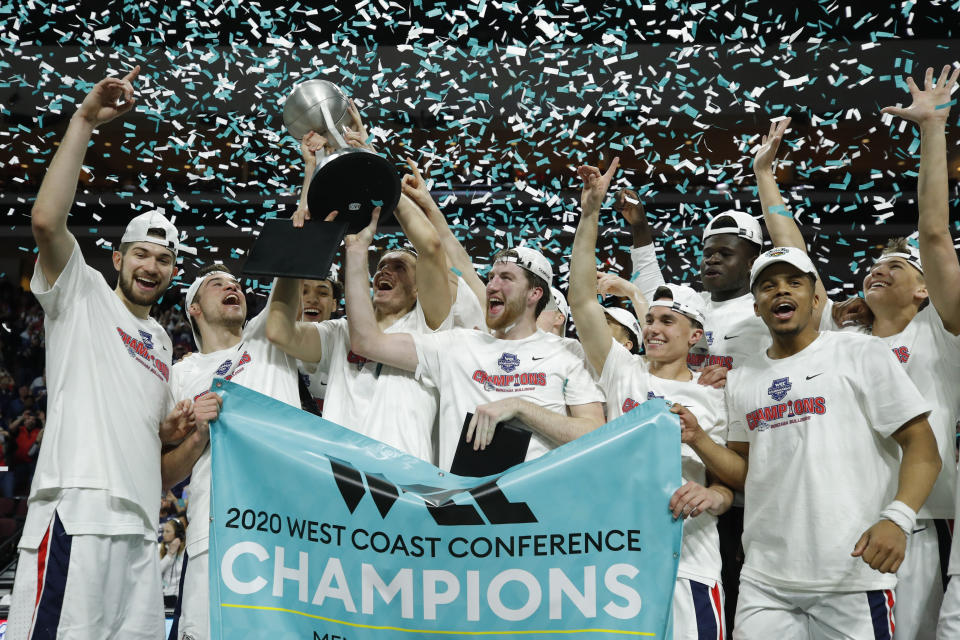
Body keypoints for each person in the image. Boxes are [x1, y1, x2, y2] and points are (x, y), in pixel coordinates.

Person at [755, 65, 960, 640]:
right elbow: (791, 259)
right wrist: (765, 178)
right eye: (873, 265)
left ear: (923, 289)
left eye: (895, 266)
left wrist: (931, 130)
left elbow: (935, 233)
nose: (877, 268)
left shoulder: (941, 331)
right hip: (865, 526)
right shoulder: (848, 347)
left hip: (931, 522)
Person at [7, 67, 198, 639]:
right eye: (142, 254)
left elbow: (151, 433)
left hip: (140, 525)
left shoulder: (162, 340)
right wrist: (85, 119)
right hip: (78, 510)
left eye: (164, 260)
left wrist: (174, 428)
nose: (152, 267)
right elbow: (45, 220)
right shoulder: (83, 294)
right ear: (117, 259)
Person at [681, 246, 941, 638]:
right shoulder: (745, 378)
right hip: (764, 581)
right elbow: (746, 473)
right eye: (768, 286)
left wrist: (897, 519)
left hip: (851, 576)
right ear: (756, 307)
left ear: (816, 298)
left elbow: (924, 448)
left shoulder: (862, 353)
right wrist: (698, 438)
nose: (780, 291)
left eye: (793, 283)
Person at [570, 158, 732, 638]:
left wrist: (714, 495)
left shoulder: (716, 398)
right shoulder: (622, 369)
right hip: (613, 562)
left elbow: (734, 482)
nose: (653, 328)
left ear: (696, 333)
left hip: (688, 565)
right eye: (651, 319)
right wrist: (591, 213)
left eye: (668, 321)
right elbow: (582, 299)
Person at [345, 207, 606, 470]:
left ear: (534, 293)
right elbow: (366, 342)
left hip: (538, 505)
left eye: (506, 278)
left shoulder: (567, 352)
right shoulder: (455, 345)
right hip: (462, 506)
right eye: (491, 277)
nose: (492, 285)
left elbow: (594, 434)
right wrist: (356, 253)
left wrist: (521, 407)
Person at [267, 145, 469, 462]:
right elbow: (279, 331)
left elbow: (430, 246)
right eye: (382, 267)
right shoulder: (339, 333)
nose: (386, 270)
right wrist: (302, 249)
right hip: (340, 483)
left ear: (420, 289)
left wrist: (382, 184)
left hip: (403, 485)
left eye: (400, 267)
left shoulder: (430, 328)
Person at [161, 263, 298, 640]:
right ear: (194, 307)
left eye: (236, 283)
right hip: (217, 534)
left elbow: (293, 267)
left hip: (295, 531)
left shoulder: (269, 335)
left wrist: (306, 207)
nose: (231, 287)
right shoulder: (179, 376)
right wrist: (198, 436)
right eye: (216, 284)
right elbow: (161, 475)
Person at [158, 518, 186, 609]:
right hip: (161, 597)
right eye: (163, 531)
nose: (163, 534)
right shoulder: (159, 548)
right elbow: (156, 571)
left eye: (168, 531)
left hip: (180, 598)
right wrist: (169, 554)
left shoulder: (185, 552)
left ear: (178, 535)